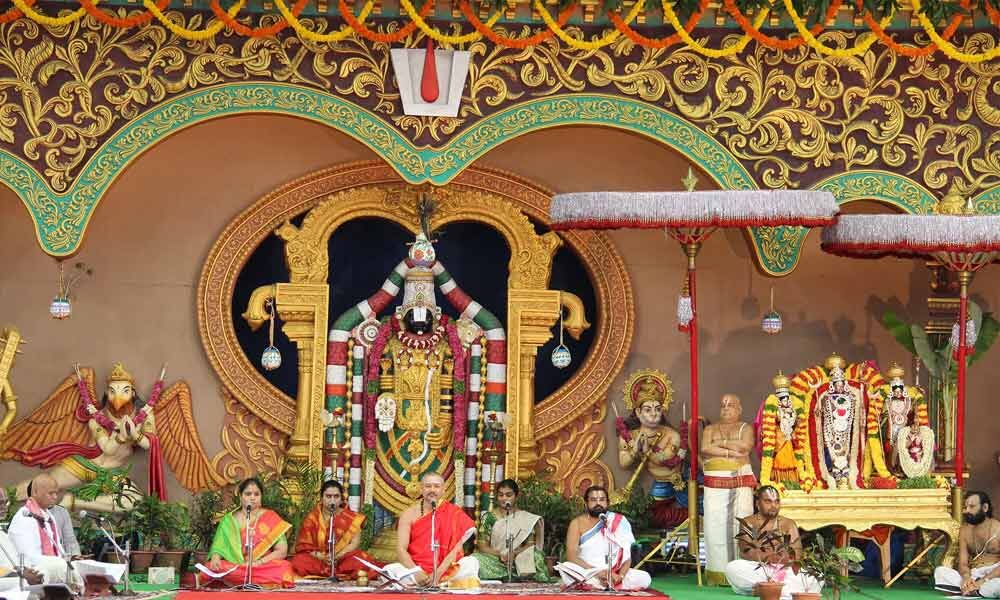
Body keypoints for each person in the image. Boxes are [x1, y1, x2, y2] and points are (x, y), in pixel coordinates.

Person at [383, 472, 478, 587]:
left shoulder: (454, 513)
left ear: (443, 490)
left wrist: (437, 574)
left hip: (445, 571)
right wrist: (417, 572)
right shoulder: (409, 514)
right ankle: (440, 584)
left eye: (436, 486)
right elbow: (401, 549)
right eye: (428, 486)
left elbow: (455, 551)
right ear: (421, 489)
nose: (432, 490)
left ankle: (438, 583)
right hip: (416, 570)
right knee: (389, 570)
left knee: (471, 563)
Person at [725, 486, 819, 600]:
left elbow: (797, 554)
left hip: (785, 570)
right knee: (732, 568)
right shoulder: (748, 522)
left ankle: (765, 589)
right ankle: (783, 591)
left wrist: (786, 558)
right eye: (768, 501)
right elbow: (746, 552)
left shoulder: (789, 524)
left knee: (817, 576)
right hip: (760, 568)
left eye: (777, 501)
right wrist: (767, 556)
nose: (773, 505)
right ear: (757, 504)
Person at [702, 393, 756, 585]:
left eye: (730, 405)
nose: (725, 408)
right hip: (714, 485)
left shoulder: (745, 428)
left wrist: (719, 445)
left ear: (739, 409)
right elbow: (705, 449)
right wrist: (730, 451)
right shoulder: (710, 429)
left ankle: (741, 574)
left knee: (741, 522)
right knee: (714, 526)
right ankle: (717, 574)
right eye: (723, 405)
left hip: (740, 483)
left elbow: (745, 447)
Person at [556, 485, 651, 590]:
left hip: (615, 572)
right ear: (586, 503)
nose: (598, 503)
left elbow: (627, 556)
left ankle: (599, 585)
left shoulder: (619, 521)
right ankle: (600, 584)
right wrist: (598, 572)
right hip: (588, 572)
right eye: (593, 500)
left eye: (602, 500)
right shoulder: (577, 523)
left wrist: (620, 576)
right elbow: (571, 556)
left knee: (644, 578)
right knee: (568, 568)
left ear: (607, 502)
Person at [206, 477, 295, 588]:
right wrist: (215, 557)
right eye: (248, 494)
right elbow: (219, 546)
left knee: (284, 567)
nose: (252, 497)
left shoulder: (271, 517)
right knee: (211, 567)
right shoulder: (229, 520)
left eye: (256, 494)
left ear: (261, 497)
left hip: (261, 566)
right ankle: (252, 579)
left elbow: (282, 551)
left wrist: (258, 563)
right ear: (240, 496)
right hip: (236, 564)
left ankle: (234, 579)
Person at [291, 480, 382, 579]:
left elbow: (354, 543)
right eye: (328, 496)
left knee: (361, 558)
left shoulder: (351, 517)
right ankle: (328, 571)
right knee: (299, 560)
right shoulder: (312, 518)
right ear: (321, 498)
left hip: (342, 559)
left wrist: (336, 556)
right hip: (318, 560)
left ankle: (331, 572)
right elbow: (304, 547)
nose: (332, 500)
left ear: (341, 499)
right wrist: (322, 557)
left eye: (336, 496)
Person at [7, 474, 82, 587]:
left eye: (56, 493)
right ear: (35, 492)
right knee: (64, 567)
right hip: (33, 574)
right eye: (50, 493)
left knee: (84, 565)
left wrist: (70, 559)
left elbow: (58, 548)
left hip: (52, 569)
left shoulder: (48, 515)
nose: (55, 497)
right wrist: (60, 564)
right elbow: (27, 557)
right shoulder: (24, 517)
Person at [472, 479, 551, 582]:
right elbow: (482, 546)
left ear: (516, 496)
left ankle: (520, 575)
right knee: (475, 559)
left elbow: (530, 544)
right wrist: (501, 554)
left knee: (537, 555)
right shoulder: (488, 517)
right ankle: (513, 576)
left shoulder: (526, 518)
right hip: (496, 559)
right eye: (501, 495)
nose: (504, 498)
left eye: (508, 495)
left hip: (519, 559)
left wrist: (514, 554)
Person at [934, 491, 1000, 598]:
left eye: (972, 506)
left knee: (997, 585)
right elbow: (963, 563)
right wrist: (966, 577)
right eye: (966, 507)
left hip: (994, 574)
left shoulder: (998, 528)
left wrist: (983, 580)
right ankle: (973, 589)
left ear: (985, 508)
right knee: (940, 571)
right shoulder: (965, 530)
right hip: (974, 574)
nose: (966, 511)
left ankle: (971, 589)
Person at [0, 486, 44, 590]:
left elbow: (12, 561)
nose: (4, 507)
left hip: (12, 575)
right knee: (21, 583)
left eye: (5, 502)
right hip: (7, 578)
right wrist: (20, 574)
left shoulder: (2, 533)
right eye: (0, 503)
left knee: (45, 571)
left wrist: (25, 570)